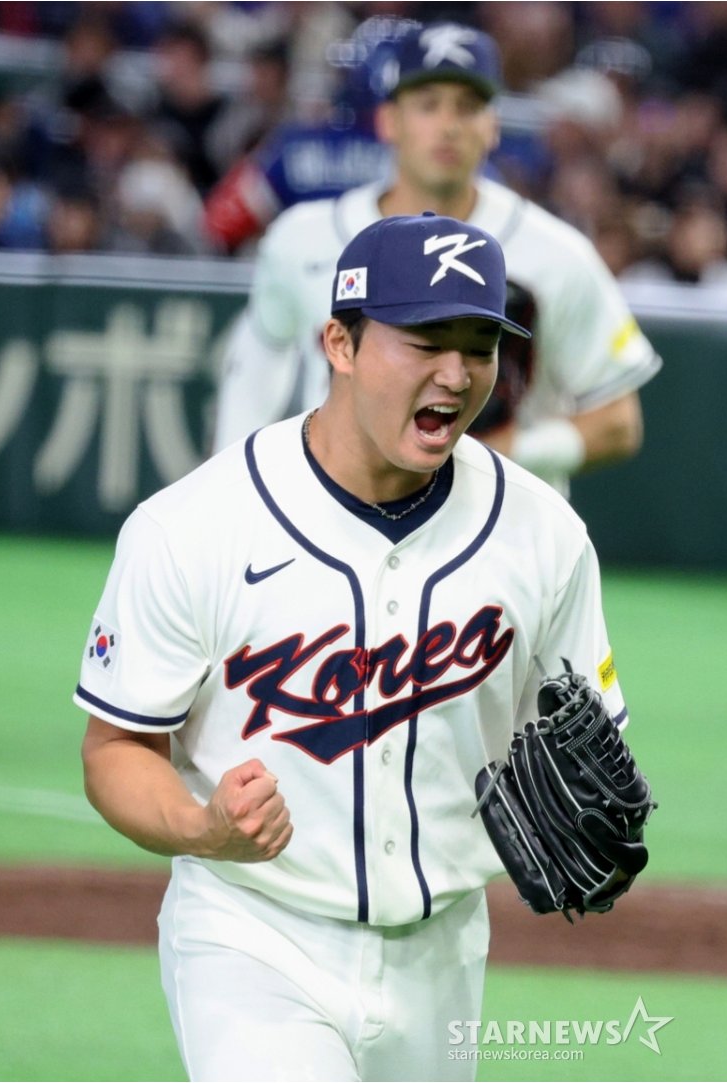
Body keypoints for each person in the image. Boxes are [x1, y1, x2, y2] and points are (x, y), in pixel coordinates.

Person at [77, 211, 633, 1081]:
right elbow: (116, 746)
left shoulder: (543, 534)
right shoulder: (195, 525)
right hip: (252, 936)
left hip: (445, 953)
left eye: (481, 345)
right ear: (339, 342)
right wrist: (201, 827)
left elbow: (582, 741)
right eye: (426, 341)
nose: (457, 373)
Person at [213, 20, 661, 497]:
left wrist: (507, 451)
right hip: (337, 510)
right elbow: (255, 370)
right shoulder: (303, 237)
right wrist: (227, 485)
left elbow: (619, 422)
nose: (448, 126)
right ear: (389, 120)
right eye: (428, 104)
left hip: (502, 518)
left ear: (493, 126)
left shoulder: (556, 253)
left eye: (468, 107)